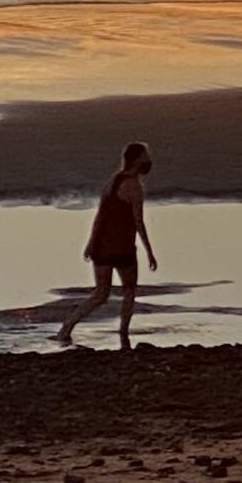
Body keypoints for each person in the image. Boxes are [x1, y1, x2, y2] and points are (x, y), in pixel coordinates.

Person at [57, 142, 158, 347]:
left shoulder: (112, 181)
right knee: (129, 289)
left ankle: (67, 326)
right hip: (122, 248)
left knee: (100, 294)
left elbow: (100, 216)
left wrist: (91, 243)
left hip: (102, 246)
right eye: (146, 156)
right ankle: (123, 334)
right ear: (137, 159)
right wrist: (149, 252)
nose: (148, 160)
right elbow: (138, 222)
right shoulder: (135, 187)